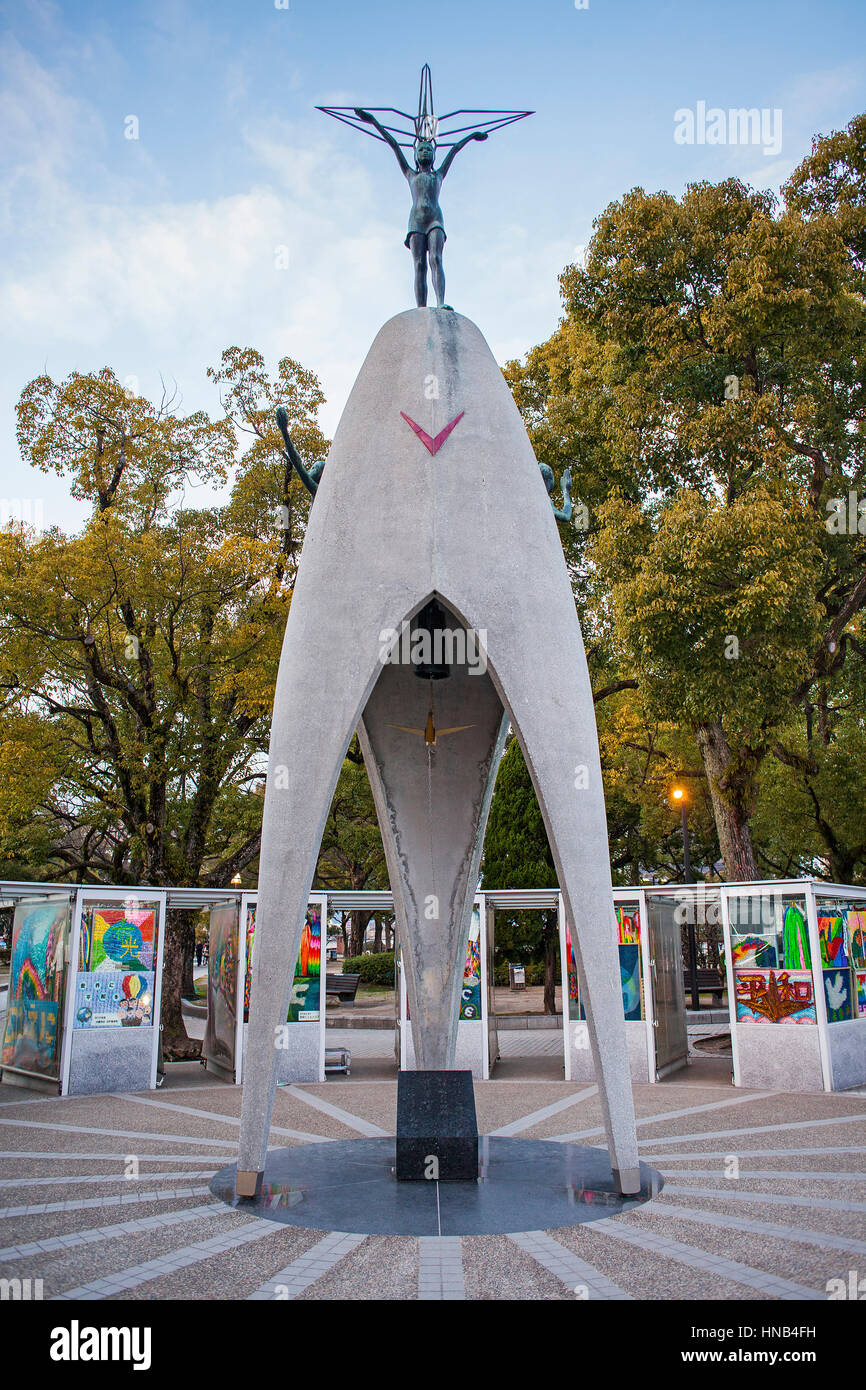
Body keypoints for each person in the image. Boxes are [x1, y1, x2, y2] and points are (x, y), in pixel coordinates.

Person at [353, 108, 487, 308]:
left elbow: (456, 149)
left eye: (429, 150)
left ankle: (441, 302)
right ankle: (421, 309)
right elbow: (393, 144)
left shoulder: (438, 175)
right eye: (421, 150)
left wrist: (473, 136)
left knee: (436, 259)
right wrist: (372, 120)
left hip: (435, 219)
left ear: (433, 155)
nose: (425, 151)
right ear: (415, 155)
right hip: (416, 221)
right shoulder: (410, 174)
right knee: (419, 265)